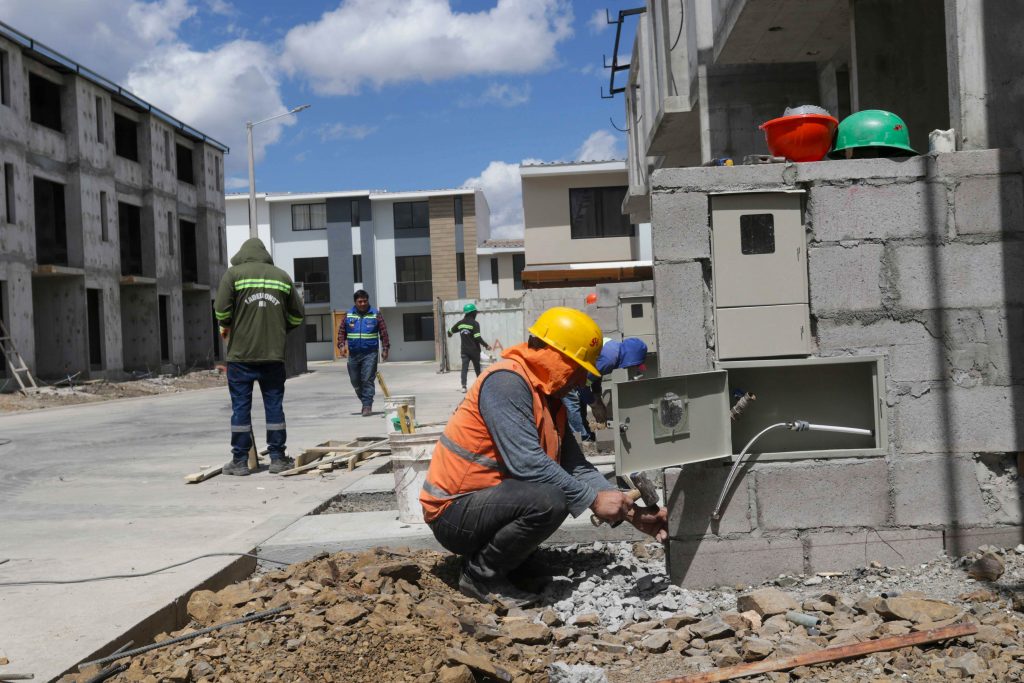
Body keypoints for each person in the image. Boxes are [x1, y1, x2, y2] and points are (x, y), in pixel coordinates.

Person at [420, 307, 667, 607]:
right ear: (554, 356)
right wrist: (593, 499)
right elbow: (527, 464)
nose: (579, 381)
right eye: (576, 368)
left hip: (488, 505)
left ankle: (510, 564)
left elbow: (575, 467)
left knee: (557, 490)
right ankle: (480, 575)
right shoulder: (506, 382)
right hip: (453, 513)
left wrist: (632, 514)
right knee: (549, 498)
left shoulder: (551, 401)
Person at [214, 237, 305, 476]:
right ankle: (277, 458)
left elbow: (222, 311)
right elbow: (297, 314)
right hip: (273, 356)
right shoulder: (282, 276)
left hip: (240, 356)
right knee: (274, 406)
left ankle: (240, 461)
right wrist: (279, 329)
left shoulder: (232, 275)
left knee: (240, 408)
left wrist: (229, 324)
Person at [338, 289, 389, 416]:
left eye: (365, 301)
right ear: (355, 302)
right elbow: (341, 331)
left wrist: (385, 348)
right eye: (360, 301)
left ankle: (367, 405)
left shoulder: (375, 314)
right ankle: (364, 401)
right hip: (353, 354)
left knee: (367, 379)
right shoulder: (349, 315)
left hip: (370, 354)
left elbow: (383, 332)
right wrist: (341, 345)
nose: (362, 304)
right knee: (355, 381)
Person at [577, 337, 649, 426]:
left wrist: (597, 395)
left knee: (582, 401)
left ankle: (585, 435)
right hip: (570, 373)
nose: (633, 368)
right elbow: (582, 383)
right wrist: (594, 404)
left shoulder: (614, 349)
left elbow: (596, 374)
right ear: (630, 356)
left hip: (579, 373)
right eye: (635, 364)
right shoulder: (609, 360)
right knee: (575, 405)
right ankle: (582, 438)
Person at [447, 302, 491, 392]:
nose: (476, 314)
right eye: (475, 312)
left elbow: (450, 331)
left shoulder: (460, 323)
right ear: (472, 313)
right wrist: (486, 345)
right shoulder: (475, 323)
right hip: (474, 350)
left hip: (464, 351)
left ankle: (464, 386)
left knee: (464, 368)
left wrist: (450, 334)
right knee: (477, 368)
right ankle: (480, 386)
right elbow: (477, 337)